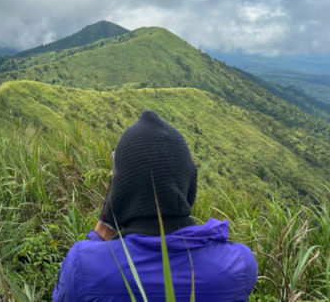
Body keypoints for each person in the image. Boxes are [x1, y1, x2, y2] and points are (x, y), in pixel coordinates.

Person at [52, 110, 257, 301]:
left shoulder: (83, 267)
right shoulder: (239, 265)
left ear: (118, 191)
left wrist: (102, 229)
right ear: (190, 185)